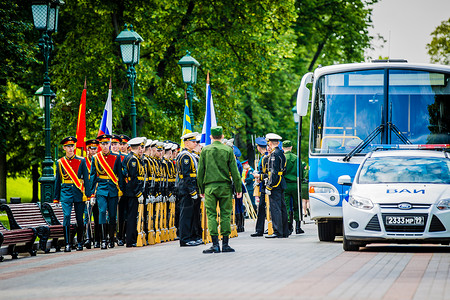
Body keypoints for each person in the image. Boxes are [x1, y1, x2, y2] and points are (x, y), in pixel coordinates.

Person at [197, 126, 242, 253]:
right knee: (225, 214)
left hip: (209, 187)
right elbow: (235, 172)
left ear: (211, 137)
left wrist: (200, 189)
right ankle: (226, 244)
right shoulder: (228, 150)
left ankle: (215, 244)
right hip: (225, 187)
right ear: (222, 136)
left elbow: (200, 171)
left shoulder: (205, 150)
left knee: (211, 215)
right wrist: (238, 188)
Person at [54, 136, 91, 252]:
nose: (71, 149)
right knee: (66, 216)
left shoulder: (81, 160)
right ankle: (67, 243)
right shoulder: (60, 162)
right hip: (65, 192)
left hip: (79, 192)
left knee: (80, 219)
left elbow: (86, 178)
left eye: (72, 146)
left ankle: (79, 242)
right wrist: (56, 198)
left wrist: (89, 195)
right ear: (64, 148)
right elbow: (58, 180)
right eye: (68, 146)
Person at [90, 134, 124, 249]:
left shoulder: (116, 157)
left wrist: (121, 190)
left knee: (113, 215)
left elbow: (119, 174)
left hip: (113, 189)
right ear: (100, 145)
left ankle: (111, 239)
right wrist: (91, 194)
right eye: (102, 144)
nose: (105, 146)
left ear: (110, 144)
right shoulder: (96, 158)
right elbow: (93, 177)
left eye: (107, 143)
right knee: (102, 212)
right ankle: (103, 239)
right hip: (101, 189)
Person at [176, 132, 202, 247]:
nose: (195, 143)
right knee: (186, 214)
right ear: (186, 143)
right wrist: (192, 191)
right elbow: (186, 176)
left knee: (191, 214)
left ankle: (191, 237)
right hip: (186, 189)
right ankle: (184, 239)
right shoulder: (185, 156)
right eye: (193, 141)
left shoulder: (190, 155)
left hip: (191, 188)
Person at [122, 137, 145, 247]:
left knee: (133, 216)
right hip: (132, 192)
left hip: (133, 191)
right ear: (139, 147)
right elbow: (133, 178)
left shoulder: (134, 158)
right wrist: (138, 193)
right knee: (132, 216)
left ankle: (132, 238)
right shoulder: (133, 160)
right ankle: (130, 241)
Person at [265, 133, 289, 238]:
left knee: (275, 208)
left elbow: (274, 172)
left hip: (276, 184)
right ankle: (284, 231)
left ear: (270, 143)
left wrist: (269, 185)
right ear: (278, 143)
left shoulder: (274, 154)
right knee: (282, 208)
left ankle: (278, 231)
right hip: (281, 182)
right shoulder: (281, 153)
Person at [282, 140, 304, 234]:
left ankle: (288, 227)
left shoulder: (282, 158)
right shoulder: (297, 158)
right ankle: (298, 227)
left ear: (282, 148)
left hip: (286, 184)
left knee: (286, 206)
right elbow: (301, 172)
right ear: (291, 147)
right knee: (297, 206)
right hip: (296, 184)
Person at [250, 137, 269, 237]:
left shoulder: (264, 157)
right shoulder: (264, 156)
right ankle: (260, 229)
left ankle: (261, 229)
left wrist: (258, 176)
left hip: (265, 185)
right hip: (263, 184)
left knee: (263, 207)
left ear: (258, 147)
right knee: (262, 207)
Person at [83, 138, 99, 249]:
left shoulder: (99, 160)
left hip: (97, 192)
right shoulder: (83, 161)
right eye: (90, 148)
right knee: (87, 217)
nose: (92, 151)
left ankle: (98, 238)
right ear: (87, 150)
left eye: (95, 148)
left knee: (98, 216)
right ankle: (88, 238)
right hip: (86, 193)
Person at [232, 145, 245, 232]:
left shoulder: (235, 162)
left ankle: (239, 225)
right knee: (239, 204)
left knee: (237, 205)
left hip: (235, 184)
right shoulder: (237, 161)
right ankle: (240, 225)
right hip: (238, 184)